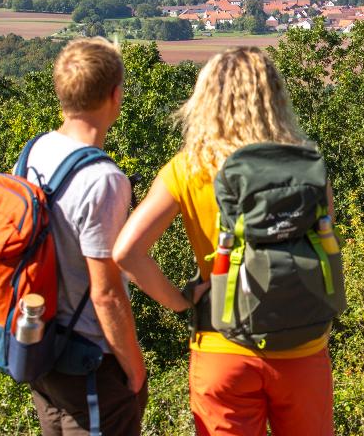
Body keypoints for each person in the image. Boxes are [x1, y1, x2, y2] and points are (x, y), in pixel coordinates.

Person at [113, 47, 335, 436]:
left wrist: (181, 300)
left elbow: (126, 252)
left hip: (221, 343)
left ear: (205, 101)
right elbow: (324, 240)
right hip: (302, 347)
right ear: (276, 100)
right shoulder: (305, 166)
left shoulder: (188, 167)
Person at [25, 37, 147, 435]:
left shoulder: (35, 151)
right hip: (88, 360)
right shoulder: (104, 181)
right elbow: (106, 292)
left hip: (41, 346)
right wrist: (134, 368)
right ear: (115, 95)